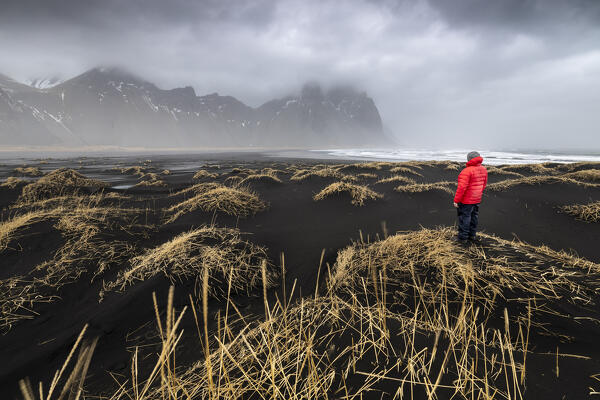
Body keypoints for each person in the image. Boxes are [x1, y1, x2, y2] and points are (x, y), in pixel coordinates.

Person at [453, 151, 488, 244]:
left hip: (466, 200)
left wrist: (456, 200)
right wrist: (477, 193)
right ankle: (472, 236)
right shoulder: (484, 169)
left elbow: (461, 188)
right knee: (474, 217)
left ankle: (463, 238)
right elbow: (484, 185)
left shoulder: (467, 171)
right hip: (477, 198)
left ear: (469, 159)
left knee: (465, 218)